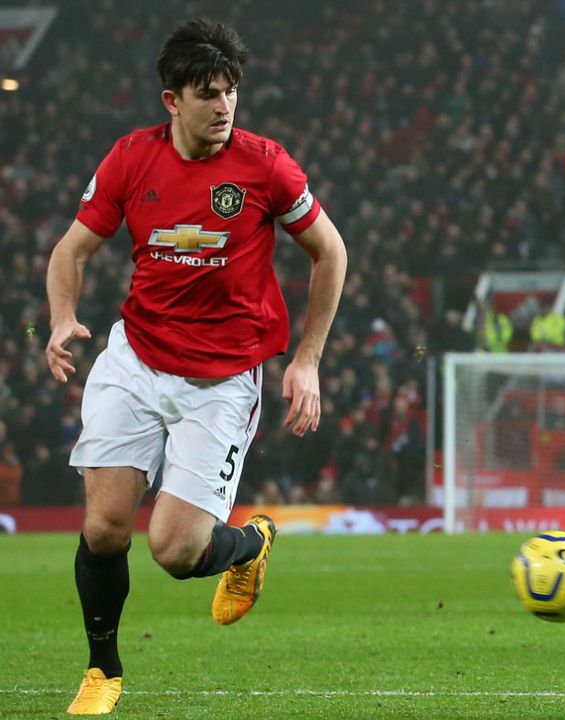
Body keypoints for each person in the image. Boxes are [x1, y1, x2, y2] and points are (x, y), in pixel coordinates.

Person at [45, 20, 347, 715]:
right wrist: (63, 317)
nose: (224, 106)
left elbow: (330, 252)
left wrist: (308, 358)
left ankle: (248, 543)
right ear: (170, 100)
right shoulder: (131, 160)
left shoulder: (267, 165)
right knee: (104, 529)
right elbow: (71, 250)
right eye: (208, 93)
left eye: (232, 92)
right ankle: (103, 671)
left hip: (222, 379)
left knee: (175, 552)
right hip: (138, 358)